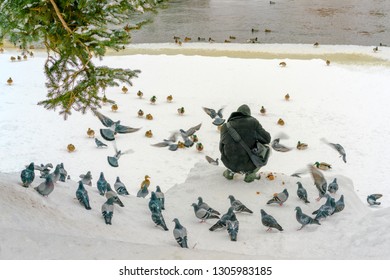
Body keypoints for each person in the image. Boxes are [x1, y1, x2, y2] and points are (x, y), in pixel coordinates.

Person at [219, 104, 271, 183]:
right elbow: (267, 139)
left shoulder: (225, 126)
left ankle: (230, 172)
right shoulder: (253, 122)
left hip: (228, 162)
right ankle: (250, 175)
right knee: (267, 148)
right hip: (248, 165)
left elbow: (221, 147)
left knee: (227, 145)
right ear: (248, 114)